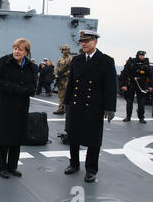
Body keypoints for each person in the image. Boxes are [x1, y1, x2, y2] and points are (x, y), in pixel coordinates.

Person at [63, 30, 117, 183]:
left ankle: (91, 169)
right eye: (82, 41)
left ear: (95, 41)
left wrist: (110, 107)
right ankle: (73, 163)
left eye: (87, 40)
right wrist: (66, 102)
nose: (84, 44)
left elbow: (111, 86)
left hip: (94, 105)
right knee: (73, 135)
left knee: (93, 139)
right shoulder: (76, 60)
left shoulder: (105, 61)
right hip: (76, 103)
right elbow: (71, 84)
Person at [0, 38, 37, 179]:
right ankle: (2, 167)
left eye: (20, 49)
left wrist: (26, 91)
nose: (16, 51)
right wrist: (16, 89)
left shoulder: (32, 67)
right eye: (15, 48)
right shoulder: (4, 61)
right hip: (5, 104)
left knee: (17, 136)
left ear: (26, 52)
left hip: (21, 105)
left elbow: (33, 85)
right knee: (4, 137)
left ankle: (12, 166)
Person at [120, 50, 153, 123]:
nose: (142, 57)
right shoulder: (131, 63)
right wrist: (123, 85)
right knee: (129, 101)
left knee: (141, 101)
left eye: (143, 55)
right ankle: (128, 116)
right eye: (141, 55)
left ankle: (141, 117)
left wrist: (151, 86)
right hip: (131, 83)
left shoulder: (146, 64)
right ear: (137, 55)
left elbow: (150, 76)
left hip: (141, 85)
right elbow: (124, 74)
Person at [53, 44, 73, 114]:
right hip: (60, 79)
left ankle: (68, 109)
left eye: (66, 49)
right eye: (63, 50)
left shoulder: (71, 59)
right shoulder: (60, 59)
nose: (64, 51)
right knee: (61, 94)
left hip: (67, 79)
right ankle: (60, 109)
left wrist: (64, 74)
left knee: (67, 94)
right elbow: (56, 68)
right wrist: (56, 74)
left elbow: (71, 69)